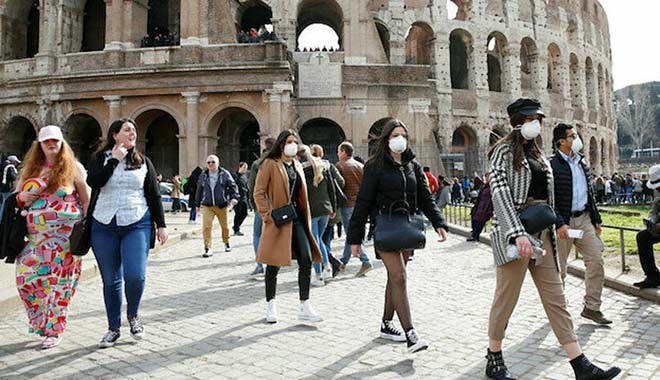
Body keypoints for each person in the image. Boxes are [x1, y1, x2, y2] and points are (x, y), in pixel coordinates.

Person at [485, 99, 621, 380]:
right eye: (531, 117)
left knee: (556, 299)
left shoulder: (537, 153)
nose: (536, 122)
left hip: (543, 233)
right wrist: (517, 232)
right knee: (506, 299)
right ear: (518, 121)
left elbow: (549, 198)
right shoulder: (502, 151)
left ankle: (579, 363)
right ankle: (494, 356)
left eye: (538, 117)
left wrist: (557, 225)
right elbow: (499, 192)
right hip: (516, 233)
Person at [347, 119, 448, 353]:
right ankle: (411, 334)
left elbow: (425, 197)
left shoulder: (413, 165)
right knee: (400, 276)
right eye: (395, 135)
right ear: (386, 139)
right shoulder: (374, 166)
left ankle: (385, 323)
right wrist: (355, 238)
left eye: (403, 134)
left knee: (395, 278)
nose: (399, 138)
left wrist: (438, 222)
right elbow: (363, 202)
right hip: (384, 226)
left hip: (406, 227)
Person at [88, 118, 168, 348]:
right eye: (127, 130)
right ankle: (113, 328)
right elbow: (95, 182)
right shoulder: (99, 159)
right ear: (114, 135)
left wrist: (161, 225)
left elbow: (153, 194)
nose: (132, 133)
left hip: (136, 222)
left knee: (135, 275)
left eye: (134, 130)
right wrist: (114, 161)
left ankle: (133, 315)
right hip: (103, 224)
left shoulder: (144, 162)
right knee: (111, 280)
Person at [14, 125, 90, 349]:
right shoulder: (32, 170)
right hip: (35, 241)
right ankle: (40, 323)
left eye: (55, 141)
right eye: (47, 141)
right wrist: (22, 196)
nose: (51, 144)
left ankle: (55, 329)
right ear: (39, 145)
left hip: (65, 243)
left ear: (62, 143)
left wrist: (85, 226)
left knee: (60, 286)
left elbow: (86, 198)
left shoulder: (73, 168)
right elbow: (17, 199)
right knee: (26, 281)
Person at [253, 130, 323, 323]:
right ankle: (271, 304)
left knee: (306, 259)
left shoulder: (297, 165)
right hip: (278, 219)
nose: (293, 145)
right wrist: (267, 216)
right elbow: (258, 192)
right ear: (281, 144)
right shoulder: (270, 164)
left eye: (295, 142)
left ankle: (304, 305)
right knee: (273, 265)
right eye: (289, 142)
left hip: (298, 218)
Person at [550, 124, 610, 325]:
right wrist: (559, 223)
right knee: (560, 269)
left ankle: (592, 307)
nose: (576, 139)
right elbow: (549, 199)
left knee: (596, 261)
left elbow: (590, 194)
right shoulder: (552, 165)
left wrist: (596, 220)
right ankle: (558, 310)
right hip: (563, 223)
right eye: (572, 136)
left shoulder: (582, 163)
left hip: (584, 220)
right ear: (561, 141)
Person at [298, 144, 338, 287]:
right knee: (319, 240)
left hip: (312, 210)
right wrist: (333, 207)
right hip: (325, 208)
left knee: (314, 243)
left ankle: (319, 275)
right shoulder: (325, 166)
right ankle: (326, 267)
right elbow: (331, 189)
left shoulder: (300, 170)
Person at [336, 142, 373, 277]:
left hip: (348, 204)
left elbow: (338, 186)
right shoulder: (360, 166)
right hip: (360, 204)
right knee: (353, 233)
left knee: (352, 234)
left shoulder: (340, 166)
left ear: (344, 152)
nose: (338, 154)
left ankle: (366, 261)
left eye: (339, 152)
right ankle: (343, 261)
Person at [195, 155, 239, 257]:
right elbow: (199, 189)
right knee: (206, 226)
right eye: (208, 162)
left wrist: (234, 197)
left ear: (218, 163)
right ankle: (208, 248)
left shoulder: (224, 173)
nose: (210, 164)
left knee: (225, 227)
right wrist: (196, 204)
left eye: (213, 162)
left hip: (222, 205)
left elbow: (233, 186)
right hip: (207, 205)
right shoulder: (203, 175)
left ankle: (226, 242)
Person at [247, 137, 277, 278]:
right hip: (278, 204)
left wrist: (253, 204)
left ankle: (260, 265)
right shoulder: (280, 162)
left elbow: (252, 186)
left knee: (258, 234)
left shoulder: (257, 164)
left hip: (262, 204)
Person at [633, 164, 660, 289]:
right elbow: (655, 209)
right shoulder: (657, 190)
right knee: (643, 237)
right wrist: (652, 221)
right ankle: (652, 276)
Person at [468, 172, 493, 242]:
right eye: (486, 177)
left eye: (488, 177)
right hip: (480, 206)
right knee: (475, 218)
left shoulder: (492, 187)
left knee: (480, 221)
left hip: (486, 207)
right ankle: (474, 235)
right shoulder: (485, 186)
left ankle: (476, 236)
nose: (487, 179)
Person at [231, 162, 249, 236]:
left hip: (244, 197)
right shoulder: (235, 176)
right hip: (238, 198)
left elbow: (246, 186)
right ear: (240, 167)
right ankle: (236, 229)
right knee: (238, 214)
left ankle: (236, 226)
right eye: (244, 167)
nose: (245, 169)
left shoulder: (244, 176)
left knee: (244, 213)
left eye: (246, 168)